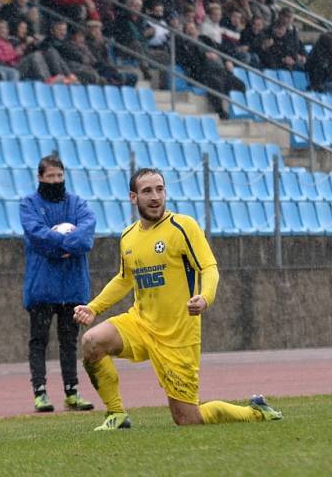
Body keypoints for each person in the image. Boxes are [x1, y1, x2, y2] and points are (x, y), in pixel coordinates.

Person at [73, 168, 284, 430]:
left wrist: (205, 298)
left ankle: (256, 412)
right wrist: (93, 308)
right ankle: (116, 414)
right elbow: (124, 278)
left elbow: (209, 267)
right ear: (132, 197)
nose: (155, 197)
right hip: (140, 323)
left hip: (178, 336)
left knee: (187, 419)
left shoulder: (183, 227)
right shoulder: (128, 236)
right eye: (147, 191)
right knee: (92, 342)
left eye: (160, 189)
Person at [20, 155, 96, 413]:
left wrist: (61, 244)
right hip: (42, 285)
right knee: (38, 340)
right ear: (40, 177)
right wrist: (65, 246)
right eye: (51, 176)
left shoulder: (77, 203)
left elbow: (87, 234)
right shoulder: (29, 204)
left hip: (72, 285)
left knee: (69, 341)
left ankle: (72, 391)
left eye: (59, 176)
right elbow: (36, 235)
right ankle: (39, 391)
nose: (56, 181)